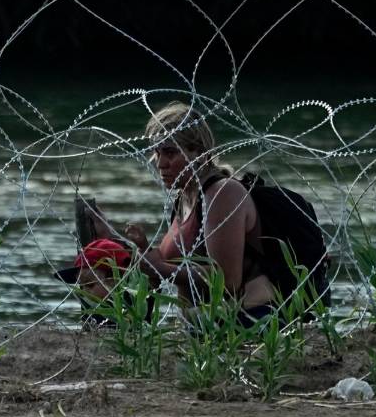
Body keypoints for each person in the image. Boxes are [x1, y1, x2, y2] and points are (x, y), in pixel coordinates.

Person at [72, 102, 280, 325]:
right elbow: (160, 266)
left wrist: (157, 267)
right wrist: (112, 239)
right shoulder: (185, 198)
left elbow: (226, 280)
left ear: (199, 152)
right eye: (156, 152)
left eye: (170, 152)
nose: (160, 163)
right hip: (202, 325)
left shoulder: (222, 193)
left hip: (249, 321)